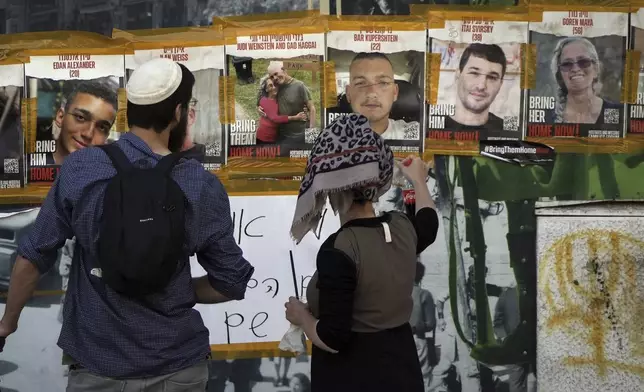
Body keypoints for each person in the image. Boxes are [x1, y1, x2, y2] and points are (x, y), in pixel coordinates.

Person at [0, 57, 255, 390]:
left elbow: (32, 256)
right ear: (177, 113)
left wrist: (7, 324)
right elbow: (231, 281)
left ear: (128, 110)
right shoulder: (200, 184)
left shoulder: (83, 168)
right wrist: (176, 290)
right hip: (178, 368)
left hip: (98, 366)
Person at [284, 113, 439, 392]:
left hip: (353, 375)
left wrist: (301, 316)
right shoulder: (402, 227)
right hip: (402, 371)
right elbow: (428, 224)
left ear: (329, 188)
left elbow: (333, 338)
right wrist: (418, 181)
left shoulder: (339, 248)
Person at [345, 52, 418, 140]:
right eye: (360, 83)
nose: (371, 93)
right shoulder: (330, 138)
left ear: (395, 92)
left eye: (383, 83)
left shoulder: (415, 134)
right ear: (348, 93)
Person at [445, 43, 512, 140]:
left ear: (500, 84)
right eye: (474, 73)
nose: (481, 86)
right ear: (458, 75)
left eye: (492, 77)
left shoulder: (509, 131)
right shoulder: (430, 125)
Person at [549, 36, 621, 124]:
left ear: (596, 69)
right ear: (559, 75)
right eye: (567, 64)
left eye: (583, 61)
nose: (575, 69)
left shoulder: (614, 112)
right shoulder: (547, 119)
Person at [48, 80, 118, 165]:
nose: (88, 134)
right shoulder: (29, 166)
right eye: (80, 118)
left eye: (101, 127)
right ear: (60, 117)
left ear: (106, 137)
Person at [257, 61, 316, 145]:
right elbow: (263, 98)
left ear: (284, 70)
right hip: (281, 135)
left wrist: (311, 137)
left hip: (298, 134)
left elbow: (312, 108)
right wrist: (258, 108)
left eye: (276, 74)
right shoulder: (275, 88)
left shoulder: (299, 85)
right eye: (272, 76)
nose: (275, 78)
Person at [410, 261, 437, 391]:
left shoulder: (394, 293)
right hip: (417, 339)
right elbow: (431, 324)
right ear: (421, 276)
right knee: (424, 378)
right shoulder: (424, 294)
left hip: (397, 340)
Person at [256, 75, 307, 144]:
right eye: (271, 85)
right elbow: (274, 118)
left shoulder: (300, 86)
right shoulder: (268, 99)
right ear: (266, 89)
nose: (274, 87)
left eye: (275, 85)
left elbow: (311, 108)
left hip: (300, 128)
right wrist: (295, 117)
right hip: (266, 138)